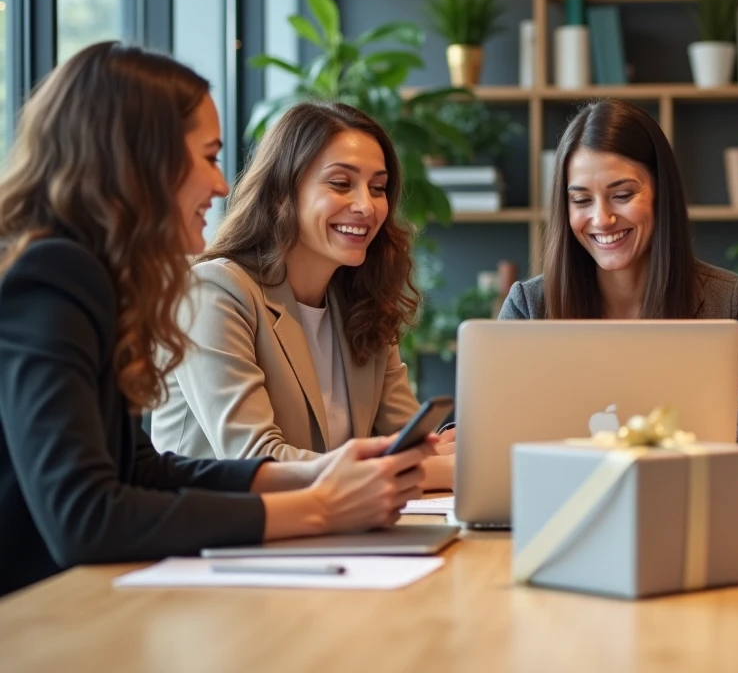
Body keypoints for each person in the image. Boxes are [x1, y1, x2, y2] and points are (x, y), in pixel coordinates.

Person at [0, 42, 434, 597]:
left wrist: (318, 475)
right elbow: (85, 516)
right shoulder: (53, 275)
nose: (223, 184)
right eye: (208, 156)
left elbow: (144, 470)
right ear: (140, 160)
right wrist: (319, 508)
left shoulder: (97, 281)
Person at [152, 102, 454, 490]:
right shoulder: (215, 292)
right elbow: (256, 460)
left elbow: (407, 441)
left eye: (378, 188)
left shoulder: (362, 302)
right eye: (341, 183)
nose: (366, 206)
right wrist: (435, 469)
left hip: (325, 533)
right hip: (218, 539)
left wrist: (443, 451)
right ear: (282, 192)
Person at [499, 99, 738, 485]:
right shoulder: (529, 306)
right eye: (581, 200)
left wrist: (674, 469)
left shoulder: (730, 300)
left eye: (622, 194)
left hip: (686, 505)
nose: (601, 218)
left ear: (660, 192)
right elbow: (492, 437)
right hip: (558, 509)